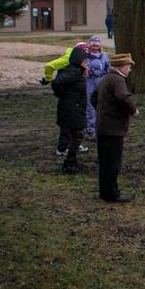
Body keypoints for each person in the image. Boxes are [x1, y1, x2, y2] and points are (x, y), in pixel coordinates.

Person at [92, 53, 138, 203]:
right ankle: (113, 194)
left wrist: (104, 110)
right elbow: (122, 97)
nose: (130, 69)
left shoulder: (106, 78)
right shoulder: (118, 80)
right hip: (113, 129)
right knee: (113, 162)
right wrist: (133, 110)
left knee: (104, 162)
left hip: (102, 126)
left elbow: (94, 97)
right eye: (129, 66)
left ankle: (105, 192)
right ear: (122, 66)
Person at [40, 42, 89, 155]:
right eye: (85, 58)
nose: (87, 61)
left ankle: (73, 145)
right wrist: (48, 79)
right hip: (69, 103)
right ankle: (62, 148)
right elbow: (51, 68)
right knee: (68, 126)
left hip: (74, 102)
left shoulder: (77, 70)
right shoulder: (71, 67)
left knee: (74, 128)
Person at [51, 46, 90, 173]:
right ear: (78, 60)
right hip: (72, 109)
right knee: (78, 134)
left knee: (75, 135)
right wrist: (61, 94)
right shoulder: (72, 73)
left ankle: (71, 161)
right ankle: (69, 163)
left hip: (73, 108)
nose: (86, 63)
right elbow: (56, 83)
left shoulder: (76, 71)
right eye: (84, 61)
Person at [84, 36, 111, 139]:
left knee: (102, 103)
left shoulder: (104, 56)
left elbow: (107, 68)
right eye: (93, 45)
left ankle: (102, 127)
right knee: (90, 105)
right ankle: (91, 130)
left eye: (97, 46)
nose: (95, 47)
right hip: (89, 82)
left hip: (101, 81)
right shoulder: (86, 56)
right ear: (90, 45)